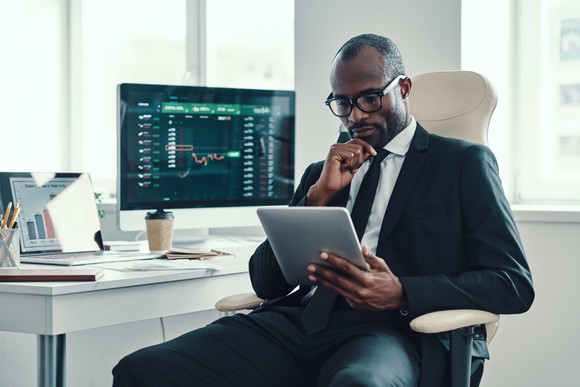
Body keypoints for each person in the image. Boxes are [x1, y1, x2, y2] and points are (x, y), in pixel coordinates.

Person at [112, 33, 534, 387]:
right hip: (299, 322)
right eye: (343, 103)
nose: (355, 116)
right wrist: (317, 197)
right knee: (142, 370)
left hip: (391, 331)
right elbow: (266, 282)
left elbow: (513, 284)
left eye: (370, 99)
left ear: (403, 89)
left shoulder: (461, 164)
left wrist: (402, 290)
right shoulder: (324, 172)